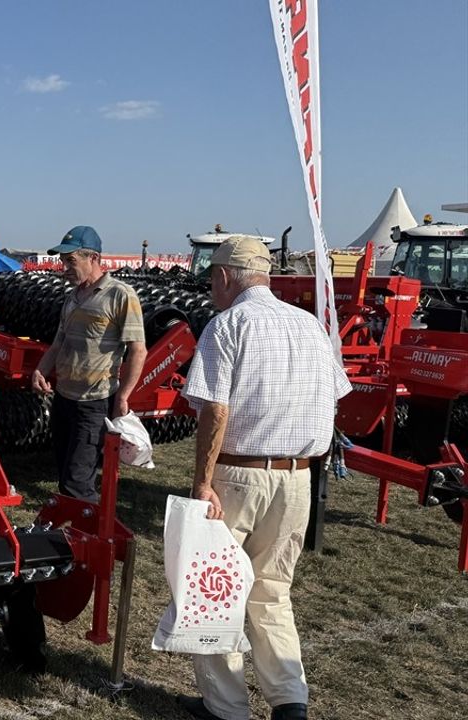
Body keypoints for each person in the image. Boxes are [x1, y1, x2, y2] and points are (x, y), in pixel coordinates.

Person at [179, 236, 351, 720]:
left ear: (223, 277)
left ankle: (226, 708)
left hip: (239, 475)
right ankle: (289, 701)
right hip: (298, 478)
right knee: (272, 591)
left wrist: (202, 482)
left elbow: (215, 409)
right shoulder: (311, 326)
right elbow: (335, 393)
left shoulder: (228, 324)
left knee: (213, 591)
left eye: (212, 279)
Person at [31, 226, 146, 501]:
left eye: (71, 261)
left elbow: (138, 350)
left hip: (93, 402)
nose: (65, 268)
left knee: (77, 482)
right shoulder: (72, 297)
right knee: (65, 470)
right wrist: (40, 370)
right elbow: (58, 343)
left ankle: (91, 535)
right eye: (63, 261)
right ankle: (77, 530)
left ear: (93, 258)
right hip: (64, 398)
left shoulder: (120, 295)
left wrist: (124, 396)